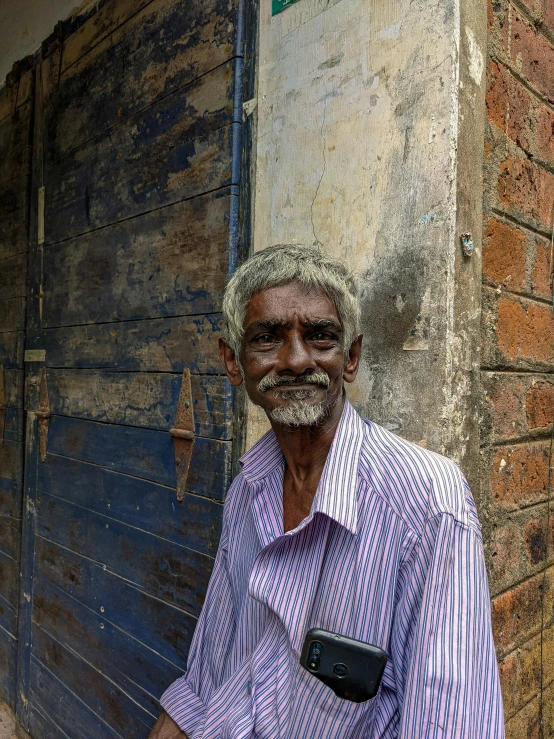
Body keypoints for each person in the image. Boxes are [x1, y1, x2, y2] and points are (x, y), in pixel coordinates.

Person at [148, 245, 504, 739]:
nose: (296, 361)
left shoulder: (428, 504)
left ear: (351, 357)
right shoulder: (247, 490)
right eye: (268, 338)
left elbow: (453, 725)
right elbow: (206, 677)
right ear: (233, 362)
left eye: (320, 337)